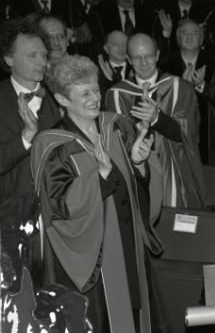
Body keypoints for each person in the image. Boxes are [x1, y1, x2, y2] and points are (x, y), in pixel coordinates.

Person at [31, 55, 163, 333]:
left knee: (137, 311)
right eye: (84, 93)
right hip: (96, 259)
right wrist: (98, 177)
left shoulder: (116, 126)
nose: (94, 98)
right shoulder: (53, 145)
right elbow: (57, 207)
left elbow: (138, 183)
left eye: (96, 90)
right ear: (62, 99)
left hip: (129, 242)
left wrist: (139, 162)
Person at [106, 32, 206, 208]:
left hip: (173, 172)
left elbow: (188, 135)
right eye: (137, 57)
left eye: (149, 56)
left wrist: (157, 118)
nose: (144, 62)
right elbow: (114, 145)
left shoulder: (179, 87)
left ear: (157, 55)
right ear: (128, 59)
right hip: (135, 174)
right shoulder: (116, 94)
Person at [0, 18, 61, 291]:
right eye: (32, 55)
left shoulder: (55, 100)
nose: (41, 62)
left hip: (51, 220)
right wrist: (26, 136)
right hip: (8, 221)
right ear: (8, 58)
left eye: (44, 56)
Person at [159, 19, 215, 165]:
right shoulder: (165, 65)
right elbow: (159, 102)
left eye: (195, 33)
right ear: (177, 38)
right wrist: (181, 87)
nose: (189, 37)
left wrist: (202, 85)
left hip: (208, 136)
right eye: (184, 33)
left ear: (202, 38)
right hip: (175, 132)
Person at [97, 30, 133, 96]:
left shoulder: (137, 69)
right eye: (115, 44)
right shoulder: (97, 72)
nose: (121, 48)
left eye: (125, 44)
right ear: (106, 48)